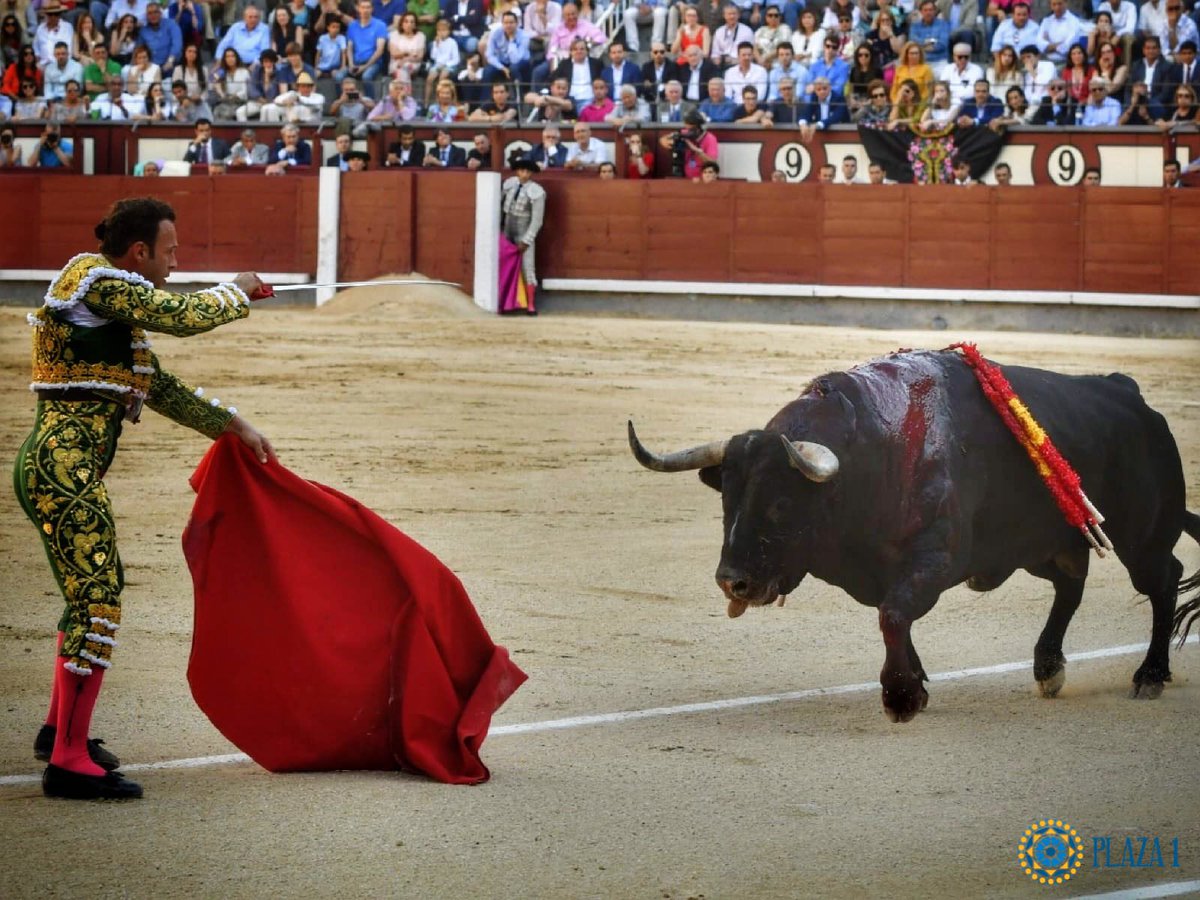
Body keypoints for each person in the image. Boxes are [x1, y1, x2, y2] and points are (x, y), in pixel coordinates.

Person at [18, 196, 271, 801]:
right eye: (170, 251)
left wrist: (233, 426)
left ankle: (59, 732)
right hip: (62, 468)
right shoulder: (97, 282)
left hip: (65, 467)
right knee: (97, 600)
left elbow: (159, 387)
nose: (174, 262)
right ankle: (68, 761)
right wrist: (235, 291)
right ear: (139, 252)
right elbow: (178, 315)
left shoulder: (107, 313)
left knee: (89, 595)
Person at [500, 156, 545, 314]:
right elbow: (498, 205)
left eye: (527, 171)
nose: (524, 174)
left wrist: (527, 240)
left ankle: (530, 305)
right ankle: (504, 302)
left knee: (528, 268)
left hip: (523, 230)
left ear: (531, 173)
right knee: (504, 265)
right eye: (521, 170)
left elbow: (537, 220)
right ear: (517, 171)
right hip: (507, 228)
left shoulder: (537, 191)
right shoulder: (509, 184)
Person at [658, 107, 716, 177]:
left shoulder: (710, 138)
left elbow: (712, 163)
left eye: (692, 129)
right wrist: (669, 144)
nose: (689, 132)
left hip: (703, 177)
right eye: (687, 128)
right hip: (685, 176)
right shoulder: (685, 133)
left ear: (700, 127)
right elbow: (662, 139)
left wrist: (695, 150)